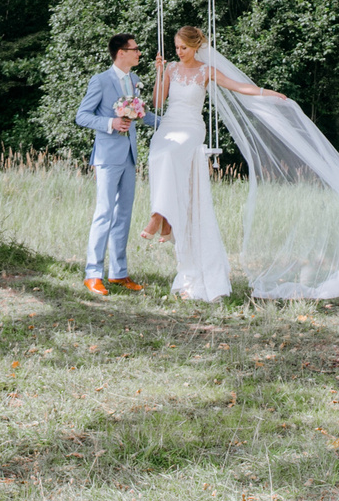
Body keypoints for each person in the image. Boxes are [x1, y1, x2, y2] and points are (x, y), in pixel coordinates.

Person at [145, 24, 289, 301]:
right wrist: (159, 73)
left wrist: (266, 92)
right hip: (170, 125)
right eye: (176, 48)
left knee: (172, 154)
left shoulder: (206, 71)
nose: (179, 52)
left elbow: (237, 86)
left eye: (183, 48)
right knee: (159, 153)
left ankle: (158, 217)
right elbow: (157, 101)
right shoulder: (172, 69)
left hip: (191, 128)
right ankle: (165, 219)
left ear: (196, 47)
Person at [74, 33, 151, 297]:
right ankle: (92, 274)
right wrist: (111, 124)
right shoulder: (101, 81)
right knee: (104, 212)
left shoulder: (134, 81)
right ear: (121, 52)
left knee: (124, 215)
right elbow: (82, 116)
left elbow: (144, 115)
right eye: (135, 49)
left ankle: (118, 273)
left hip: (129, 156)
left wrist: (175, 123)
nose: (139, 53)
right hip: (107, 156)